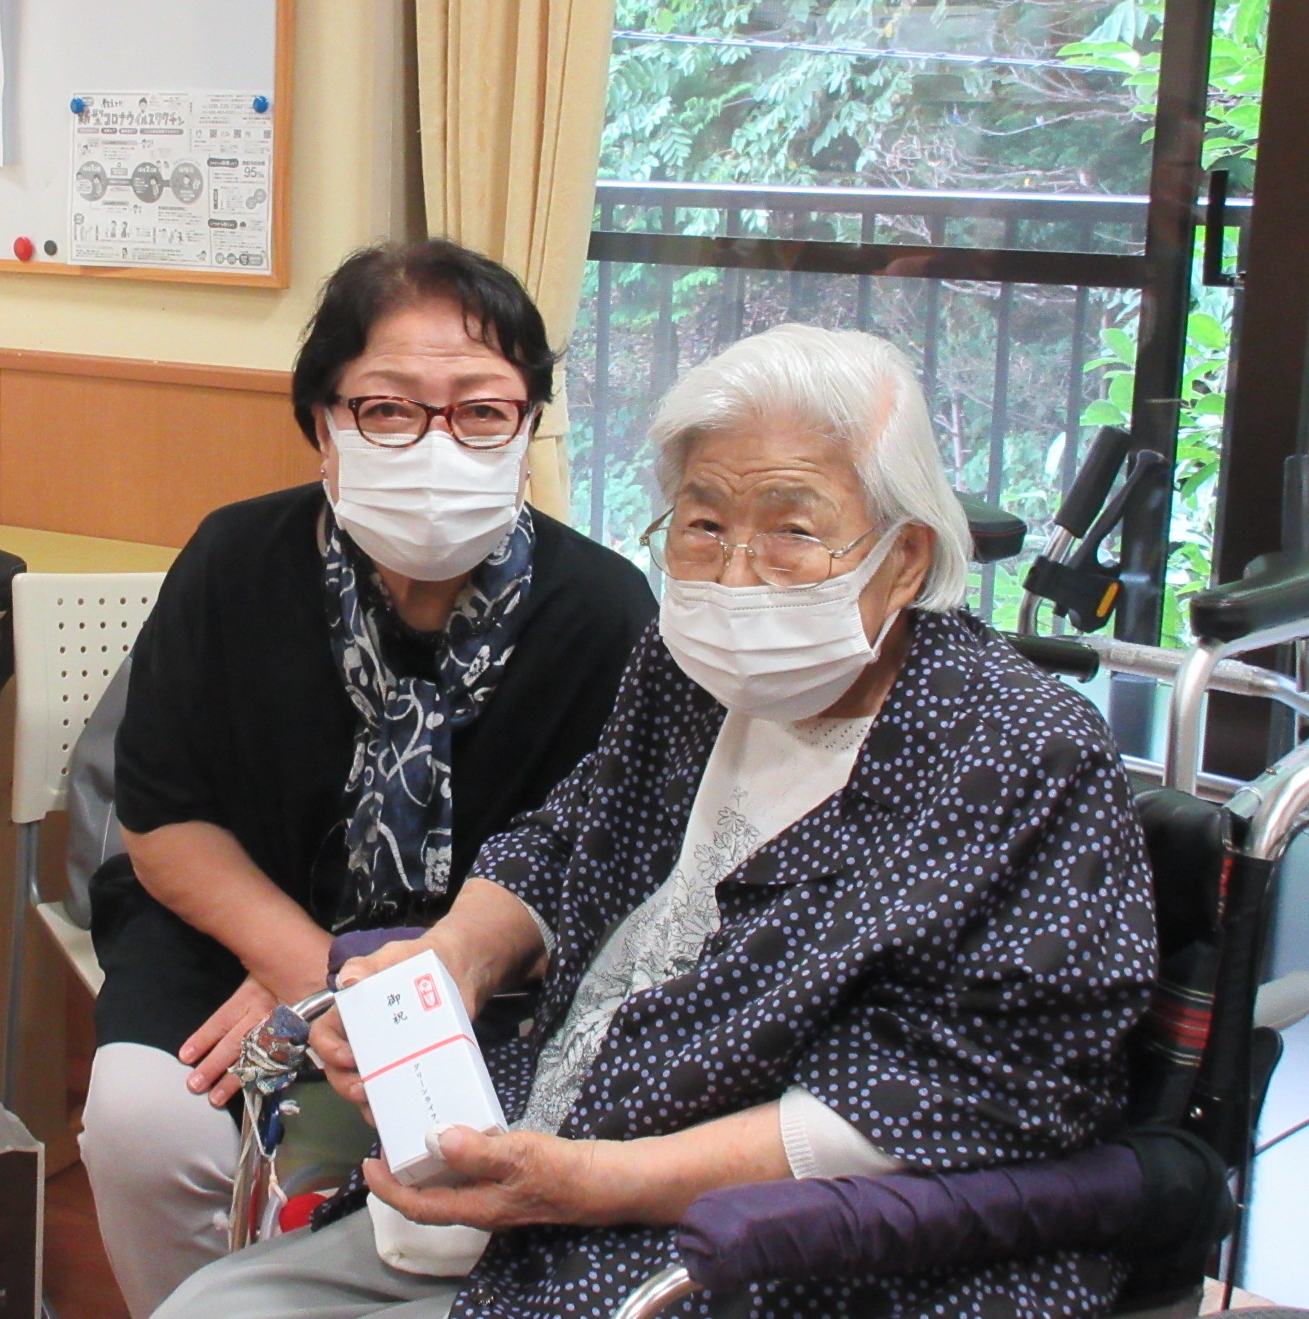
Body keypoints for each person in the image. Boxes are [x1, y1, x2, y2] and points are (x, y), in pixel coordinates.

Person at [156, 323, 1155, 1319]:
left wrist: (593, 1182)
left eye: (792, 531)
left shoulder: (1020, 753)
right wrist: (453, 960)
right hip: (530, 1164)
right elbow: (565, 844)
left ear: (903, 560)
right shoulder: (689, 673)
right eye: (703, 524)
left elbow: (967, 1090)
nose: (733, 575)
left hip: (751, 1249)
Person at [78, 240, 657, 1315]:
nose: (436, 442)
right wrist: (311, 973)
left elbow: (598, 876)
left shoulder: (606, 612)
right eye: (388, 410)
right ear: (322, 425)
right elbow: (165, 820)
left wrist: (369, 995)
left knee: (451, 1177)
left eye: (481, 411)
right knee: (143, 1128)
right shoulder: (234, 562)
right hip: (235, 932)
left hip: (485, 981)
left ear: (527, 427)